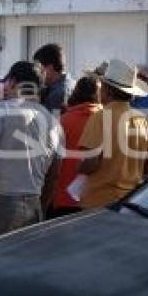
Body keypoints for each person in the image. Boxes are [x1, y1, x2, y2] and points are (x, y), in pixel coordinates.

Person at [0, 61, 62, 246]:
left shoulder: (2, 110)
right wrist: (41, 204)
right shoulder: (53, 122)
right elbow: (55, 173)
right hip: (33, 202)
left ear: (12, 82)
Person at [78, 59, 148, 210]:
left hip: (99, 200)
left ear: (107, 90)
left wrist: (79, 167)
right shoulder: (144, 120)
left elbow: (91, 163)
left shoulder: (100, 117)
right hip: (131, 200)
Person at [51, 75, 101, 218]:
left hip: (63, 196)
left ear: (76, 93)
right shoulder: (106, 120)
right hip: (96, 197)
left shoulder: (63, 120)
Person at [33, 43, 74, 114]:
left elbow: (53, 122)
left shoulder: (58, 93)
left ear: (49, 68)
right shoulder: (72, 83)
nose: (36, 73)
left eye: (38, 69)